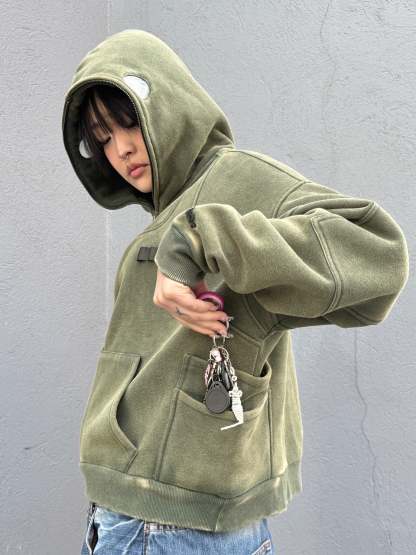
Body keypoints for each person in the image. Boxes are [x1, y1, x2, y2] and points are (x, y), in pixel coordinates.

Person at [62, 29, 409, 554]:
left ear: (169, 103)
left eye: (129, 121)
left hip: (173, 526)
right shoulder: (170, 208)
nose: (122, 148)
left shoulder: (239, 178)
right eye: (103, 138)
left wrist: (198, 239)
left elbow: (378, 253)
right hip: (132, 511)